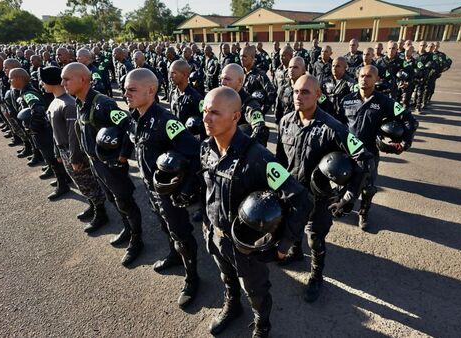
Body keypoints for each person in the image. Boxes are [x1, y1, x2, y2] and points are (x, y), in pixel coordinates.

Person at [200, 87, 312, 338]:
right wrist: (207, 224)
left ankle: (262, 323)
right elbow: (207, 188)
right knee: (226, 276)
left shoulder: (257, 157)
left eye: (215, 113)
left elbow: (300, 199)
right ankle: (232, 305)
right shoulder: (206, 147)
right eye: (205, 111)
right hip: (216, 236)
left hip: (246, 246)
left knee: (255, 289)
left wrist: (284, 244)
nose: (206, 119)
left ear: (235, 116)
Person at [276, 74, 371, 302]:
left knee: (315, 239)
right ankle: (295, 253)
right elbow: (279, 159)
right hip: (291, 194)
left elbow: (363, 158)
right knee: (291, 227)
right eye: (296, 91)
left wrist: (348, 195)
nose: (299, 96)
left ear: (318, 94)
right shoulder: (285, 121)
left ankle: (316, 276)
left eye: (305, 92)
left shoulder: (332, 127)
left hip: (318, 199)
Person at [113, 68, 201, 308]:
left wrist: (185, 190)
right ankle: (174, 256)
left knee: (181, 233)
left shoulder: (167, 121)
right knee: (164, 226)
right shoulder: (133, 116)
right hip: (149, 187)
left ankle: (192, 278)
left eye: (132, 89)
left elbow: (194, 154)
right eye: (125, 89)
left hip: (169, 192)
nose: (125, 93)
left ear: (150, 91)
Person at [61, 62, 144, 267]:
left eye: (67, 79)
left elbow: (128, 127)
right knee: (112, 199)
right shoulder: (80, 103)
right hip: (97, 164)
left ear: (83, 79)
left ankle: (137, 239)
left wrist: (123, 157)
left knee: (124, 201)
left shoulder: (103, 104)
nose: (63, 83)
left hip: (111, 166)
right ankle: (127, 227)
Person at [339, 65, 418, 229]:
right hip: (347, 151)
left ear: (377, 79)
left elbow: (410, 120)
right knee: (343, 180)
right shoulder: (347, 100)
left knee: (368, 187)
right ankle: (344, 205)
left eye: (369, 76)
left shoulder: (385, 102)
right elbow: (337, 123)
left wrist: (404, 142)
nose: (364, 79)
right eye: (361, 76)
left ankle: (363, 212)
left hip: (369, 153)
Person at [39, 65, 108, 226]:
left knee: (88, 183)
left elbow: (74, 134)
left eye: (44, 81)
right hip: (64, 149)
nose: (42, 84)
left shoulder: (68, 104)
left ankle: (101, 212)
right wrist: (58, 150)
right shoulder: (56, 102)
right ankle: (92, 205)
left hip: (73, 151)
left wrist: (75, 158)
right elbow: (56, 130)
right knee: (81, 184)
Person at [9, 68, 71, 200]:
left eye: (11, 78)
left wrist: (33, 127)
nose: (10, 81)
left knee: (51, 158)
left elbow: (38, 109)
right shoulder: (24, 92)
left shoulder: (28, 93)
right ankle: (62, 178)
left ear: (19, 78)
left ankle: (62, 184)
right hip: (42, 131)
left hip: (42, 132)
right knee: (50, 158)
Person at [220, 64, 270, 146]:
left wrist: (246, 150)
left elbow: (260, 130)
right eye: (221, 79)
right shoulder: (220, 99)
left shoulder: (250, 104)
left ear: (240, 81)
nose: (223, 82)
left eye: (227, 79)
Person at [169, 60, 205, 138]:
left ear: (184, 75)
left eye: (173, 73)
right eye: (170, 73)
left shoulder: (196, 98)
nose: (170, 76)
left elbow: (204, 122)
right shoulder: (173, 94)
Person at [240, 46, 276, 117]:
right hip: (241, 114)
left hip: (253, 115)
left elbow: (272, 93)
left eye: (244, 56)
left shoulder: (260, 74)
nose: (241, 59)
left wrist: (262, 110)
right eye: (240, 56)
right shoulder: (240, 73)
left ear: (252, 57)